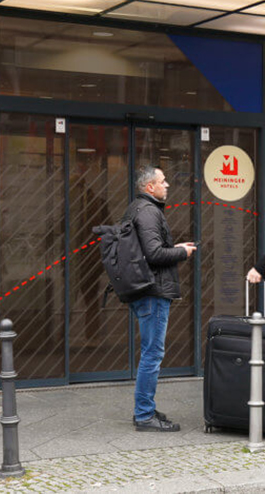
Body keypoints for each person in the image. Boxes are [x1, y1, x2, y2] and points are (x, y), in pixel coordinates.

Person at [124, 166, 196, 432]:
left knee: (151, 352)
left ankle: (146, 408)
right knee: (152, 354)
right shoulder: (149, 212)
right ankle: (144, 415)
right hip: (152, 291)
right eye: (162, 181)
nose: (167, 185)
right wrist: (181, 252)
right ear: (149, 187)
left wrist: (176, 248)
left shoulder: (136, 209)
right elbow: (154, 254)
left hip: (143, 289)